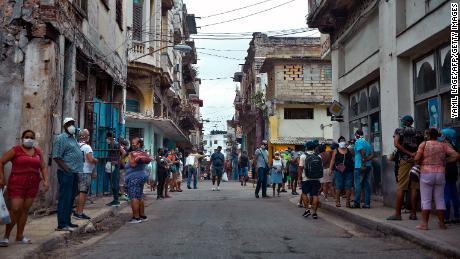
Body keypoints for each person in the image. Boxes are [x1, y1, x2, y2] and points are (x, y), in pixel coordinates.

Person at [0, 130, 49, 246]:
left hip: (32, 185)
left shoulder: (37, 151)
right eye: (27, 137)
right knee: (15, 209)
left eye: (31, 137)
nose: (29, 139)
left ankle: (19, 236)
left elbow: (43, 166)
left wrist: (46, 180)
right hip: (17, 183)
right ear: (22, 138)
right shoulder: (16, 150)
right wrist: (2, 178)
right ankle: (6, 236)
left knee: (25, 210)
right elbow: (1, 162)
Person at [414, 128, 459, 230]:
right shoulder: (443, 145)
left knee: (426, 200)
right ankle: (442, 224)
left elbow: (416, 159)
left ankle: (424, 224)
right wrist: (445, 161)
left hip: (426, 173)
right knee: (440, 199)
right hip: (440, 173)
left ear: (428, 135)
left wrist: (420, 161)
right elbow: (456, 155)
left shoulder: (424, 144)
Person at [387, 115, 422, 221]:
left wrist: (409, 153)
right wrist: (415, 155)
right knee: (414, 188)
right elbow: (421, 146)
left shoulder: (399, 131)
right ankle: (413, 214)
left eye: (402, 121)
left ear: (405, 122)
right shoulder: (418, 132)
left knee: (401, 187)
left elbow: (396, 144)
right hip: (416, 161)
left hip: (404, 161)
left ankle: (397, 214)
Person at [52, 118, 84, 231]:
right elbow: (56, 156)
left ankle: (68, 221)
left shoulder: (73, 138)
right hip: (66, 173)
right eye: (69, 124)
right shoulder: (61, 138)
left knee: (70, 198)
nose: (72, 126)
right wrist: (67, 169)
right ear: (65, 126)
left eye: (73, 124)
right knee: (65, 198)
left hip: (75, 172)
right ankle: (62, 224)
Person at [125, 137, 151, 224]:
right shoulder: (143, 153)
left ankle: (136, 217)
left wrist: (130, 156)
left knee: (134, 197)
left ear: (139, 144)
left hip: (134, 178)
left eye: (134, 143)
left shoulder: (133, 153)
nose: (132, 144)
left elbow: (132, 164)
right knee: (140, 196)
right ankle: (142, 215)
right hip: (141, 176)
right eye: (132, 142)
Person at [73, 129, 98, 220]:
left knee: (78, 193)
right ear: (86, 137)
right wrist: (96, 160)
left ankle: (77, 211)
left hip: (77, 171)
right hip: (85, 172)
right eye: (88, 135)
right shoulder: (87, 147)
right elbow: (90, 160)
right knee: (83, 193)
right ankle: (79, 213)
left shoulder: (76, 145)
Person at [298, 141, 322, 219]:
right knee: (315, 195)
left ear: (306, 147)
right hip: (316, 179)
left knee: (304, 193)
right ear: (314, 148)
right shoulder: (319, 156)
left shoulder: (303, 156)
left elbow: (300, 168)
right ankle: (314, 213)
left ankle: (307, 210)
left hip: (306, 179)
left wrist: (299, 178)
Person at [440, 128, 460, 224]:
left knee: (446, 194)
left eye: (442, 134)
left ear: (446, 136)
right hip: (454, 171)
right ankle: (456, 216)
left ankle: (446, 217)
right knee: (454, 194)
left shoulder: (445, 145)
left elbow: (455, 156)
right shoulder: (454, 144)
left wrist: (445, 161)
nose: (441, 136)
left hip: (446, 171)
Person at [351, 129, 374, 209]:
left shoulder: (358, 142)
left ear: (357, 135)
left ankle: (356, 203)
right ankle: (367, 204)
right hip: (368, 166)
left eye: (355, 134)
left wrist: (363, 162)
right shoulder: (367, 143)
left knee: (358, 185)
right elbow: (372, 155)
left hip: (359, 166)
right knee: (366, 185)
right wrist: (366, 160)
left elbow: (362, 151)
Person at [329, 136, 354, 208]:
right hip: (338, 171)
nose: (343, 142)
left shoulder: (349, 150)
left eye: (344, 140)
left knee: (348, 186)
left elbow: (355, 157)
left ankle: (347, 202)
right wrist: (330, 169)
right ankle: (337, 201)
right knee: (338, 186)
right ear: (339, 142)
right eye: (341, 141)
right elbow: (332, 160)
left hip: (349, 171)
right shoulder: (336, 150)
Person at [105, 132, 126, 207]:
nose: (106, 139)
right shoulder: (110, 144)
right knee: (112, 182)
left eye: (107, 137)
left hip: (114, 165)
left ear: (110, 137)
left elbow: (123, 152)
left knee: (114, 183)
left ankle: (116, 200)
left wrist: (118, 161)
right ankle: (115, 199)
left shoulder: (116, 144)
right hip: (110, 164)